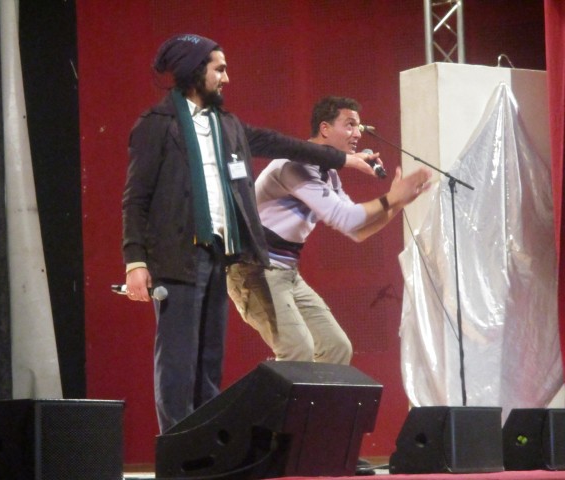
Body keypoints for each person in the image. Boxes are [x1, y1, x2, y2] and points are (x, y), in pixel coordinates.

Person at [121, 35, 385, 433]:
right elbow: (136, 198)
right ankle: (177, 446)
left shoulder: (227, 126)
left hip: (221, 255)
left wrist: (345, 160)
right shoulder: (157, 125)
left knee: (209, 361)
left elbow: (285, 144)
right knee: (178, 360)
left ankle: (205, 445)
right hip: (177, 258)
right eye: (219, 69)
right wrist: (135, 261)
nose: (227, 78)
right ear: (195, 71)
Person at [227, 96, 432, 365]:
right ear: (325, 128)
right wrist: (391, 198)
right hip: (254, 271)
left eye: (358, 127)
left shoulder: (329, 174)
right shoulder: (294, 165)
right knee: (297, 351)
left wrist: (397, 204)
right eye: (350, 125)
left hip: (286, 273)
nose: (357, 134)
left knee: (336, 348)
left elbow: (357, 231)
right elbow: (346, 219)